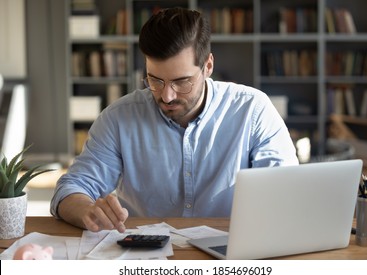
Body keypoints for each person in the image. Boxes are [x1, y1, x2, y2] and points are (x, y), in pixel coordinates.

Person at [50, 7, 299, 233]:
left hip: (229, 250)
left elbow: (285, 192)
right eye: (155, 80)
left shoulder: (253, 110)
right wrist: (87, 210)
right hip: (144, 255)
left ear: (208, 66)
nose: (167, 96)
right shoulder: (118, 118)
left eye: (181, 81)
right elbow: (70, 189)